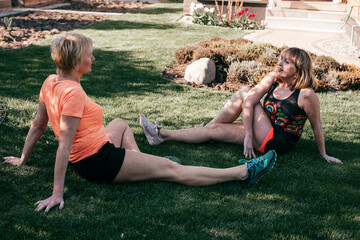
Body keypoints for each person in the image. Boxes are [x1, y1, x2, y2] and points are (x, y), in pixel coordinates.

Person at [3, 33, 277, 213]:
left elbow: (38, 125)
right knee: (172, 169)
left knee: (121, 123)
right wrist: (56, 193)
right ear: (76, 62)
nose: (93, 58)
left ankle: (142, 162)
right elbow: (63, 144)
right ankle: (242, 172)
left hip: (91, 149)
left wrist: (23, 158)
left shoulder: (51, 81)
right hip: (99, 160)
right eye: (89, 55)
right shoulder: (74, 93)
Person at [140, 47, 342, 164]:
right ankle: (161, 135)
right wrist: (248, 134)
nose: (280, 63)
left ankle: (162, 133)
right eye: (281, 59)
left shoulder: (306, 95)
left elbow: (317, 126)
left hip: (277, 140)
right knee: (214, 130)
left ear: (298, 70)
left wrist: (324, 154)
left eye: (287, 62)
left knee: (245, 92)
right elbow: (249, 104)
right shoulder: (273, 78)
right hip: (262, 128)